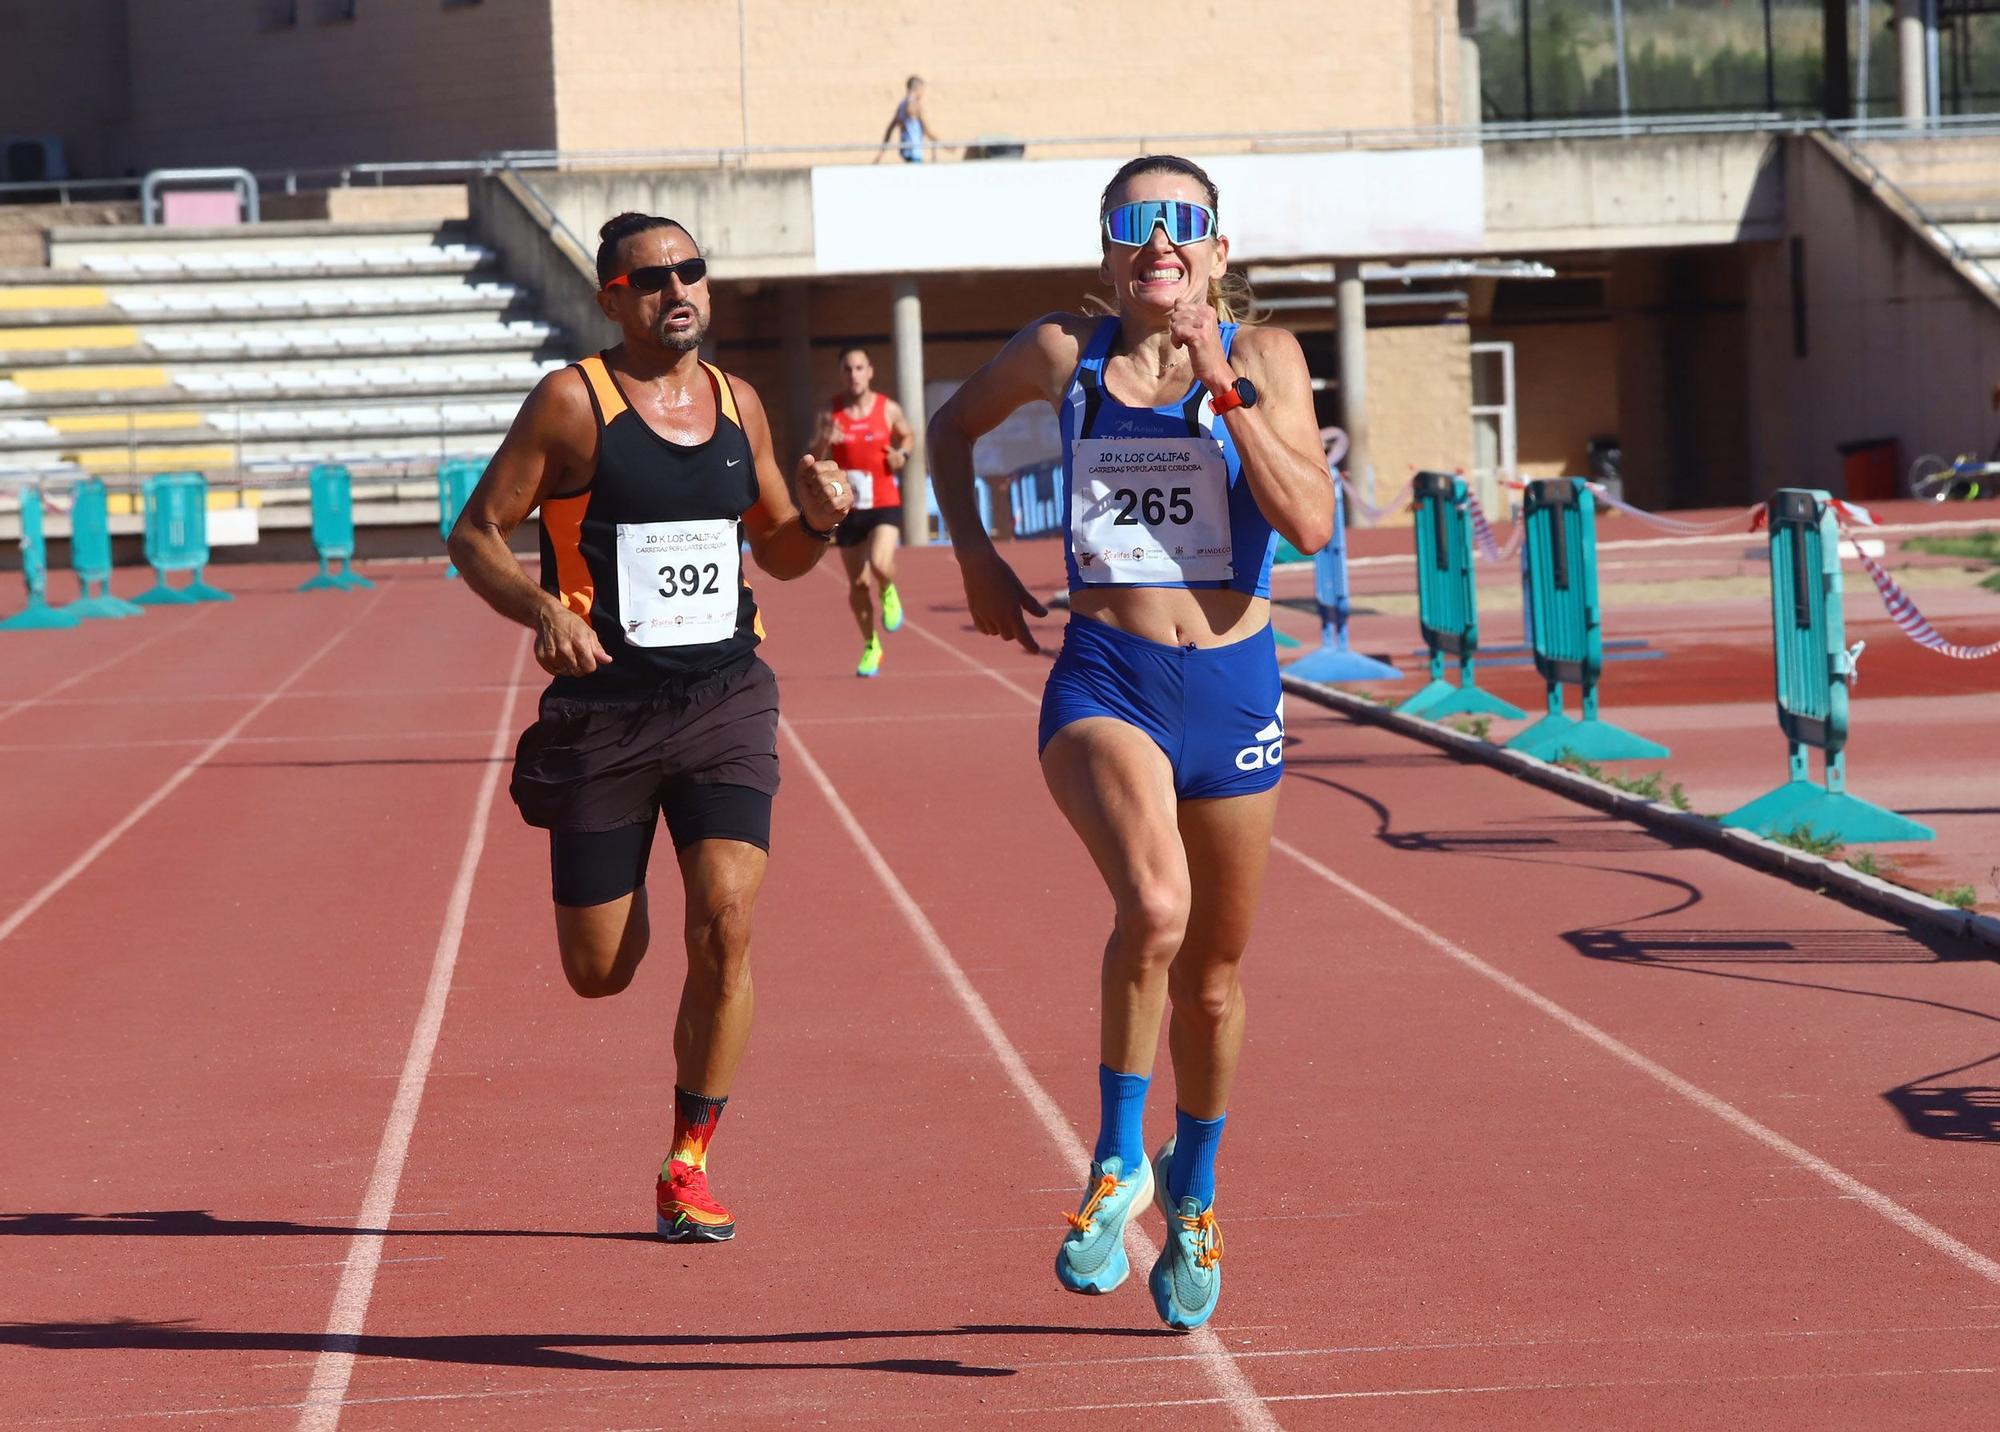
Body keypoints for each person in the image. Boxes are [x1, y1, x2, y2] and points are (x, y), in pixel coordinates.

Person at [926, 157, 1332, 1329]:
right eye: (1135, 222)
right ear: (1108, 248)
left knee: (1210, 976)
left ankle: (1192, 1193)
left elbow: (1306, 522)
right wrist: (974, 555)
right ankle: (1114, 1157)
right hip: (1107, 678)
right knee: (1153, 910)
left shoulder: (1265, 360)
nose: (1160, 241)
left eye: (1182, 223)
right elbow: (953, 428)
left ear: (1216, 249)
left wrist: (1223, 385)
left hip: (1234, 691)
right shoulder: (1065, 355)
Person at [447, 212, 853, 1244]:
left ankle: (687, 1160)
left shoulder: (738, 404)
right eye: (652, 276)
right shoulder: (571, 404)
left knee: (724, 920)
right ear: (612, 298)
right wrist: (541, 610)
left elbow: (784, 552)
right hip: (604, 712)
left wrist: (815, 519)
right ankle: (658, 1070)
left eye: (693, 271)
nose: (678, 288)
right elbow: (475, 533)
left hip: (724, 697)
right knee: (601, 968)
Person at [811, 346, 916, 676]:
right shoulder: (831, 413)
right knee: (857, 583)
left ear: (870, 371)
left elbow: (909, 436)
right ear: (842, 374)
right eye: (848, 369)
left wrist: (902, 454)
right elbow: (812, 454)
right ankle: (872, 645)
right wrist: (825, 439)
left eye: (859, 368)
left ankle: (887, 588)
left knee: (880, 564)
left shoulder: (888, 409)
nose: (854, 375)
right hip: (849, 508)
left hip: (884, 502)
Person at [877, 76, 937, 164]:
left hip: (905, 151)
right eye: (922, 90)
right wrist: (944, 145)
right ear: (918, 89)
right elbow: (927, 131)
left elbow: (890, 129)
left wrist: (881, 153)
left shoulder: (901, 105)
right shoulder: (915, 106)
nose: (923, 93)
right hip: (914, 152)